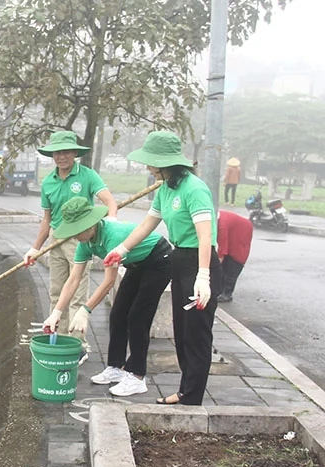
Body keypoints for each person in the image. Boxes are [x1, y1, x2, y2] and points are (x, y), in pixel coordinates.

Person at [103, 131, 222, 406]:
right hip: (180, 260)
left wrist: (203, 276)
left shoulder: (194, 189)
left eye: (151, 162)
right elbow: (148, 224)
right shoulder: (166, 188)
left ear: (165, 162)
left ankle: (192, 398)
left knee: (196, 334)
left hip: (199, 262)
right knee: (182, 333)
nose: (148, 167)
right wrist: (121, 249)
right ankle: (185, 391)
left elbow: (205, 235)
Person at [43, 197, 172, 396]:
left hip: (159, 259)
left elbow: (109, 281)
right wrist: (56, 313)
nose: (75, 235)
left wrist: (85, 310)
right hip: (136, 263)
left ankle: (137, 376)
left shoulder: (112, 236)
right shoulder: (85, 242)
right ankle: (116, 367)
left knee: (137, 317)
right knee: (118, 313)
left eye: (78, 230)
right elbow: (73, 279)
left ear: (91, 224)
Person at [24, 131, 118, 344]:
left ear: (75, 153)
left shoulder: (88, 176)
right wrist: (35, 248)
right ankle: (58, 338)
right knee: (56, 292)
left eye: (66, 152)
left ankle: (76, 342)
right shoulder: (48, 182)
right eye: (57, 153)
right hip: (57, 239)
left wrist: (111, 223)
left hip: (79, 238)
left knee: (77, 294)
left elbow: (110, 202)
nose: (61, 157)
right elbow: (47, 219)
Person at [217, 210, 253, 302]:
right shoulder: (217, 218)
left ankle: (227, 294)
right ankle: (220, 291)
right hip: (233, 232)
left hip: (242, 234)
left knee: (234, 265)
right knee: (224, 267)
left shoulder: (222, 226)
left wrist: (216, 265)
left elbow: (222, 248)